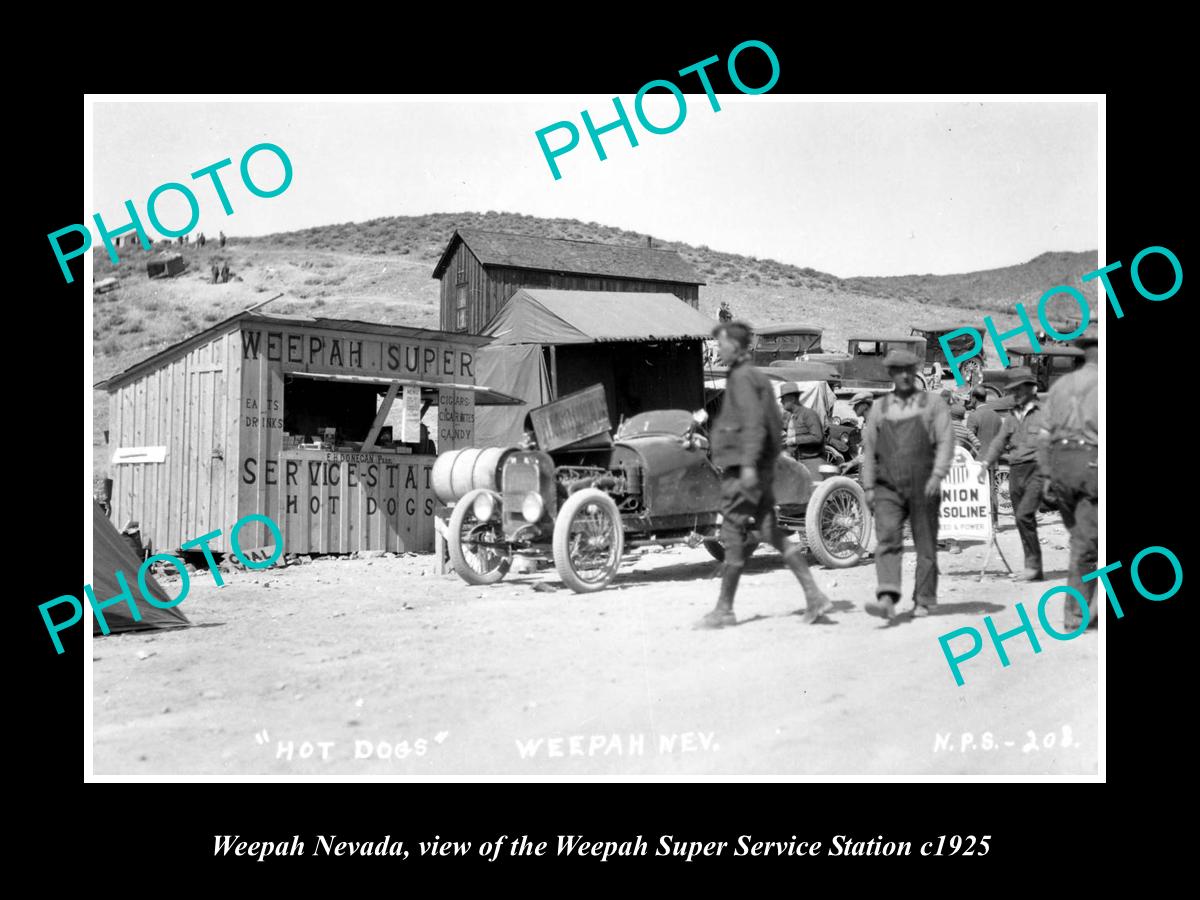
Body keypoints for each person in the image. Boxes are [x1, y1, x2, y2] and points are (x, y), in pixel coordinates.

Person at [696, 321, 832, 629]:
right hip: (757, 471)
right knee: (772, 533)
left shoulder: (744, 379)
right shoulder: (751, 377)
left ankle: (724, 610)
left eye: (723, 344)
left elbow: (757, 428)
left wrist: (745, 470)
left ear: (737, 347)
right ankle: (814, 596)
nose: (719, 349)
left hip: (744, 474)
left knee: (731, 536)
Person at [862, 349, 954, 622]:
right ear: (890, 373)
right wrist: (868, 487)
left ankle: (924, 598)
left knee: (925, 542)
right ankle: (888, 598)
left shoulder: (934, 403)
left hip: (924, 484)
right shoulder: (880, 408)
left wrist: (937, 475)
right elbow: (869, 450)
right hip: (888, 486)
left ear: (915, 372)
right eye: (897, 370)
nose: (903, 375)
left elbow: (946, 442)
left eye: (908, 370)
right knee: (887, 536)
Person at [1039, 336, 1099, 631]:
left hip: (1061, 465)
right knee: (1086, 542)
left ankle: (1091, 606)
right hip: (1091, 464)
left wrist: (1047, 473)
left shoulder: (1060, 386)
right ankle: (1076, 613)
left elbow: (1042, 435)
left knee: (1083, 536)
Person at [979, 368, 1048, 581]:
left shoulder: (1044, 414)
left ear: (1031, 389)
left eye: (1019, 389)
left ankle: (1033, 567)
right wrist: (985, 463)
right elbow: (1000, 441)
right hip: (1016, 471)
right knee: (1021, 520)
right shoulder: (1010, 416)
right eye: (1012, 390)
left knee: (1024, 515)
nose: (1015, 394)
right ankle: (1033, 567)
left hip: (1037, 469)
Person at [967, 386, 1005, 525]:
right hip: (993, 460)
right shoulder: (996, 416)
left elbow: (969, 440)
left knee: (976, 492)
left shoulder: (974, 416)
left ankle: (978, 523)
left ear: (974, 398)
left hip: (977, 461)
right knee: (992, 491)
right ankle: (994, 522)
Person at [780, 383, 825, 459]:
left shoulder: (809, 414)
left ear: (792, 399)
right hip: (798, 460)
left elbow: (817, 437)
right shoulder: (791, 416)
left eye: (783, 398)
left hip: (811, 461)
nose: (781, 401)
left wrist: (794, 440)